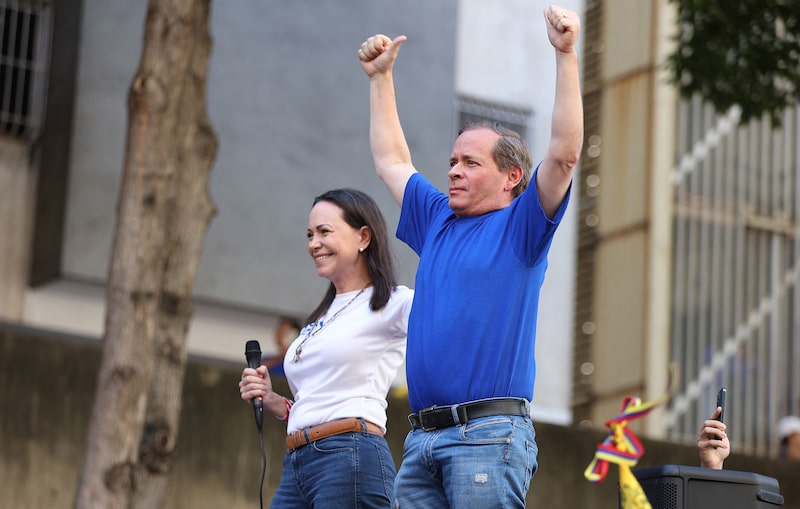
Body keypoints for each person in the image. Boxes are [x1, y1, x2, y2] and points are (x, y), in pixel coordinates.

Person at [357, 5, 583, 507]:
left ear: (511, 179)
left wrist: (565, 54)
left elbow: (565, 155)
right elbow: (392, 160)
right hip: (422, 440)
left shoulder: (523, 226)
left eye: (470, 163)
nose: (454, 170)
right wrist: (380, 79)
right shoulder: (437, 218)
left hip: (488, 436)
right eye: (453, 161)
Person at [239, 188, 413, 508]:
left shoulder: (395, 302)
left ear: (363, 237)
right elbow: (323, 398)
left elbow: (455, 327)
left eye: (324, 232)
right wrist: (276, 401)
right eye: (309, 234)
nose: (313, 243)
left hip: (349, 456)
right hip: (299, 461)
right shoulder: (322, 316)